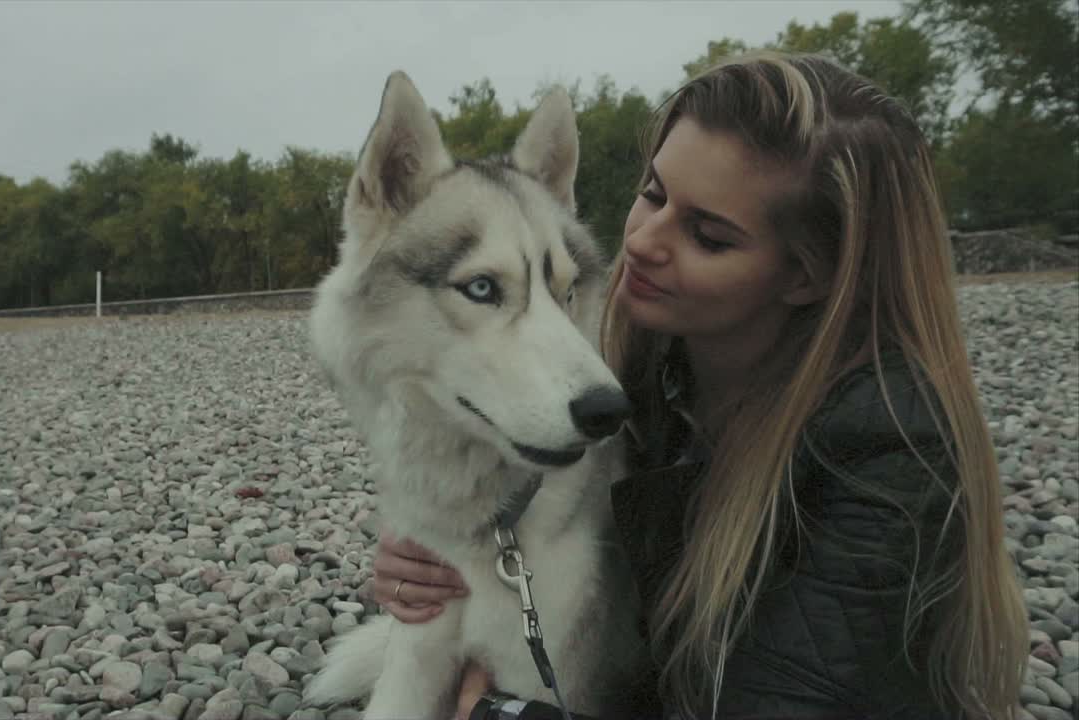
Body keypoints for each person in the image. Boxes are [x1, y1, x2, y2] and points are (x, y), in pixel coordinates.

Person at [369, 51, 1029, 720]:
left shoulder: (887, 451)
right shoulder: (641, 363)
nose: (645, 241)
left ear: (806, 275)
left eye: (708, 235)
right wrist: (431, 549)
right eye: (653, 193)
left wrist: (495, 715)